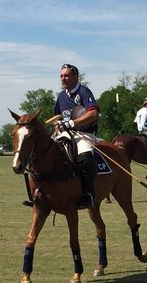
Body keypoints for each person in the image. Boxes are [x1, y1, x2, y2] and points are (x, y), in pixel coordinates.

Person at [53, 63, 100, 209]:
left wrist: (72, 123)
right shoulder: (61, 96)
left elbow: (93, 114)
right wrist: (57, 125)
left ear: (75, 76)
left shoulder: (84, 92)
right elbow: (57, 116)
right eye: (61, 75)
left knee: (85, 158)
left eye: (66, 75)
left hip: (83, 133)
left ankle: (88, 194)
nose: (63, 78)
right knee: (42, 151)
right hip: (64, 133)